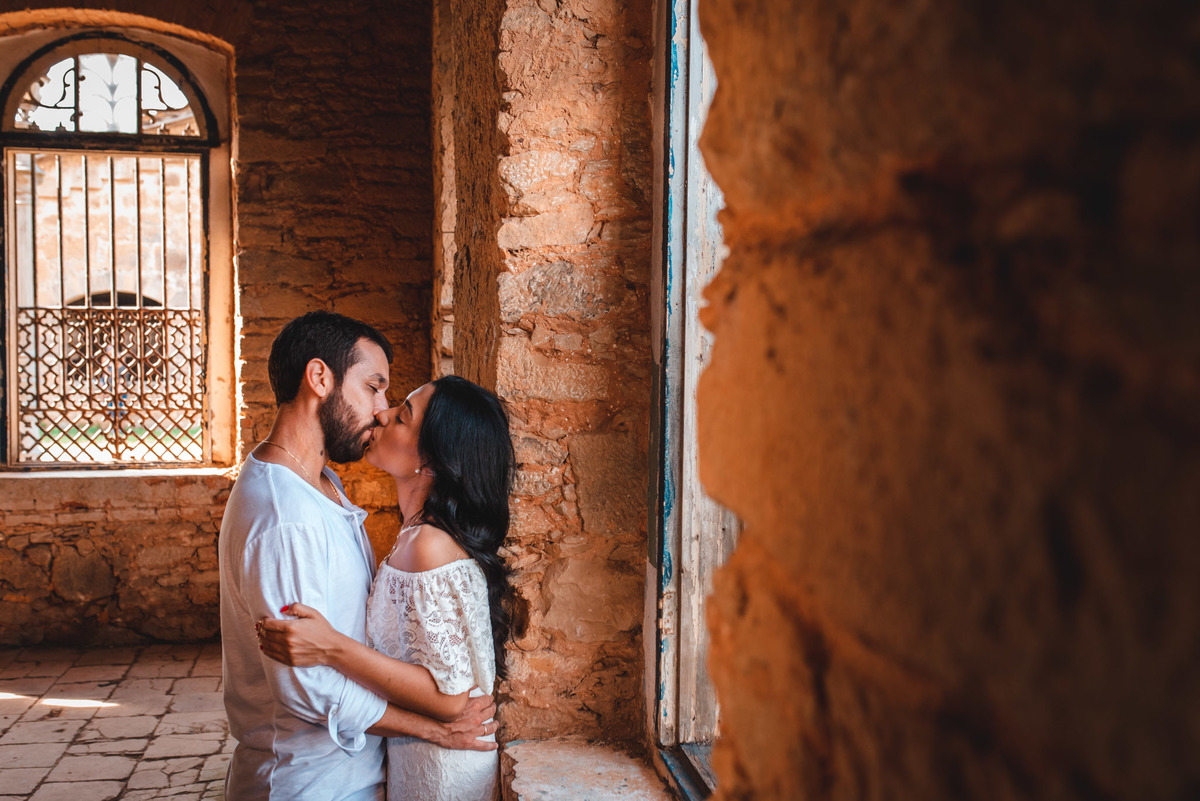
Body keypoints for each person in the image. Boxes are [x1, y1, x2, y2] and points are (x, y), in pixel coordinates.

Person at [220, 313, 498, 801]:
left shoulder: (323, 484)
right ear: (320, 378)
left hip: (351, 775)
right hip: (309, 784)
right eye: (372, 388)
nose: (381, 410)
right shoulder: (287, 518)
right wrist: (431, 729)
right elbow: (309, 690)